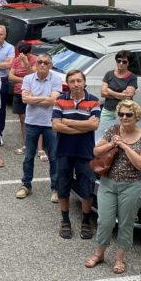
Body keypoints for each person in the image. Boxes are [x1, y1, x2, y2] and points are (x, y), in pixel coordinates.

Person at [86, 100, 141, 275]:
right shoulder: (112, 130)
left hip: (131, 186)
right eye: (121, 114)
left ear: (136, 116)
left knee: (126, 224)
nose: (124, 117)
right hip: (108, 183)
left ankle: (120, 259)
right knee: (104, 221)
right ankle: (99, 254)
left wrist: (125, 146)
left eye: (128, 114)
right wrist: (112, 144)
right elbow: (96, 151)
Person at [51, 69, 100, 240]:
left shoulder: (94, 101)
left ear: (84, 82)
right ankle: (65, 221)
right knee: (62, 186)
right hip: (64, 151)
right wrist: (82, 126)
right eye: (72, 81)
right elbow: (56, 126)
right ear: (68, 84)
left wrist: (67, 122)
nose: (76, 84)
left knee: (86, 187)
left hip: (85, 152)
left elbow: (94, 125)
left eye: (79, 81)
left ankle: (86, 221)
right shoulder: (59, 100)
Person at [17, 53, 62, 200]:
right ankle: (26, 185)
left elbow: (54, 100)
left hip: (50, 124)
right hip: (31, 122)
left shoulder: (56, 78)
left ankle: (55, 188)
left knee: (54, 157)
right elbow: (25, 99)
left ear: (50, 65)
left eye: (46, 62)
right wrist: (45, 98)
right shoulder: (28, 78)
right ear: (35, 64)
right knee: (29, 156)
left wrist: (34, 99)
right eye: (40, 62)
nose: (43, 64)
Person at [9, 41, 38, 153]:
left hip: (31, 93)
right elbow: (11, 76)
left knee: (33, 119)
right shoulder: (16, 60)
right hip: (18, 92)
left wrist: (26, 63)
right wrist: (24, 80)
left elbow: (34, 75)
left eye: (26, 53)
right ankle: (26, 143)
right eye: (22, 53)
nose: (23, 55)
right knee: (22, 119)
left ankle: (36, 145)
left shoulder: (35, 60)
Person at [99, 51, 137, 132]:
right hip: (108, 110)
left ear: (128, 63)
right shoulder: (109, 74)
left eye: (124, 62)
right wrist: (120, 95)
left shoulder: (132, 77)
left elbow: (128, 96)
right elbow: (103, 93)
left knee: (120, 132)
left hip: (123, 111)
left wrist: (110, 91)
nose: (121, 63)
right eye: (119, 61)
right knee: (102, 131)